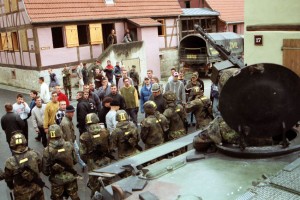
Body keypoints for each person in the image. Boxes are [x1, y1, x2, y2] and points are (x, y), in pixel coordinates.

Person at [42, 124, 80, 200]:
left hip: (57, 181)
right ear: (60, 133)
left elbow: (45, 171)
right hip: (70, 177)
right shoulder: (69, 145)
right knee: (74, 196)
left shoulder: (47, 150)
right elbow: (75, 160)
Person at [4, 132, 45, 199]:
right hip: (37, 188)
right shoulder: (34, 154)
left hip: (21, 193)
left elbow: (8, 179)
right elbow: (40, 168)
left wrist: (11, 186)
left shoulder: (10, 161)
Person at [80, 113, 111, 198]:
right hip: (105, 159)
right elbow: (110, 146)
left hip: (92, 162)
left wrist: (88, 161)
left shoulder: (84, 136)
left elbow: (82, 154)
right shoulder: (105, 131)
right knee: (108, 181)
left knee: (94, 184)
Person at [60, 105, 87, 171]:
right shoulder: (66, 123)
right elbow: (68, 136)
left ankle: (82, 164)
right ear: (67, 112)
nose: (73, 114)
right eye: (71, 112)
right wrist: (71, 147)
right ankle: (81, 165)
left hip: (72, 140)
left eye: (73, 112)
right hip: (70, 142)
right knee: (75, 153)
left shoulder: (68, 119)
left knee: (77, 152)